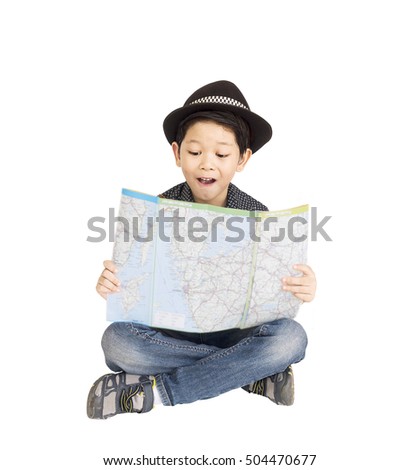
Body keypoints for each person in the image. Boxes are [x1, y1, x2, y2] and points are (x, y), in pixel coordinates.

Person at [87, 80, 317, 419]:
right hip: (169, 333)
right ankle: (249, 373)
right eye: (195, 153)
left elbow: (273, 300)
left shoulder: (260, 217)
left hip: (233, 337)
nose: (207, 164)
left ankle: (156, 392)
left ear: (242, 158)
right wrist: (114, 284)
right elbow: (135, 291)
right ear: (177, 153)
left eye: (222, 154)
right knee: (117, 342)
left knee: (291, 339)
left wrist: (302, 287)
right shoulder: (156, 211)